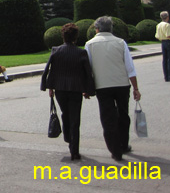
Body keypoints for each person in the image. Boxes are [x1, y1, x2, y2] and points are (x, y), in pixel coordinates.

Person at [85, 16, 141, 161]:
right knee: (123, 115)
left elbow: (88, 69)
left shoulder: (90, 44)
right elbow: (130, 68)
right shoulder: (120, 42)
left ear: (96, 29)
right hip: (122, 84)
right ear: (111, 28)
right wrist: (135, 88)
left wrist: (87, 88)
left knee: (108, 118)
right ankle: (123, 143)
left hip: (102, 86)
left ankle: (115, 150)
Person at [40, 23, 95, 160]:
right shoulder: (81, 52)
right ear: (76, 37)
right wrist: (88, 90)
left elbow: (49, 70)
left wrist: (48, 86)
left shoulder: (56, 50)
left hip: (60, 89)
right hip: (76, 89)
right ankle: (74, 150)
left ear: (63, 36)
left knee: (65, 113)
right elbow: (88, 73)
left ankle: (67, 136)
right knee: (75, 119)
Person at [155, 11, 170, 82]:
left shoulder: (158, 25)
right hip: (168, 41)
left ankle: (166, 76)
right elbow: (168, 35)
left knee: (164, 59)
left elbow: (157, 36)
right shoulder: (167, 25)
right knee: (169, 59)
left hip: (162, 42)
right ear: (167, 17)